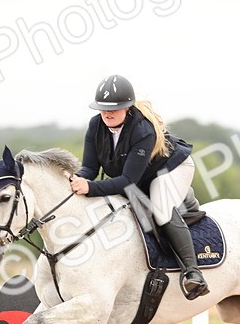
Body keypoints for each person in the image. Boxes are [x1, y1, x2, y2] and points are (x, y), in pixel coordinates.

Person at [68, 75, 209, 300]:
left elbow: (127, 181)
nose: (107, 113)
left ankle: (193, 273)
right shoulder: (96, 125)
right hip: (143, 175)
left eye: (114, 109)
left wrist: (91, 188)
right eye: (102, 108)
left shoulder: (143, 130)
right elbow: (90, 169)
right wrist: (74, 181)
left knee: (161, 210)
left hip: (171, 169)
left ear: (128, 107)